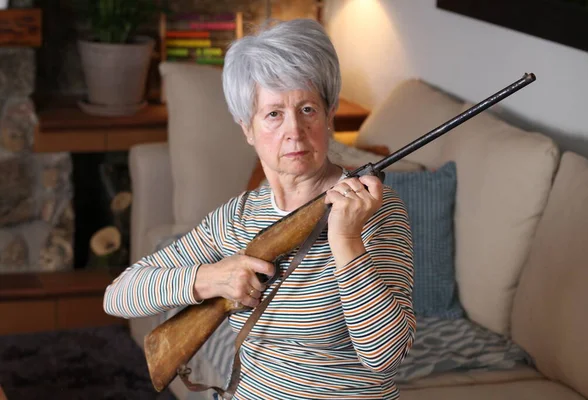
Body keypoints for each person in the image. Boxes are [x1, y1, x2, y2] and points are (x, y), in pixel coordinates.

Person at [104, 18, 415, 400]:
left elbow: (386, 357)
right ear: (246, 128)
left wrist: (348, 241)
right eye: (273, 114)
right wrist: (212, 279)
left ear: (330, 113)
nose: (294, 131)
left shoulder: (375, 212)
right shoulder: (238, 218)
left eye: (307, 109)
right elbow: (118, 295)